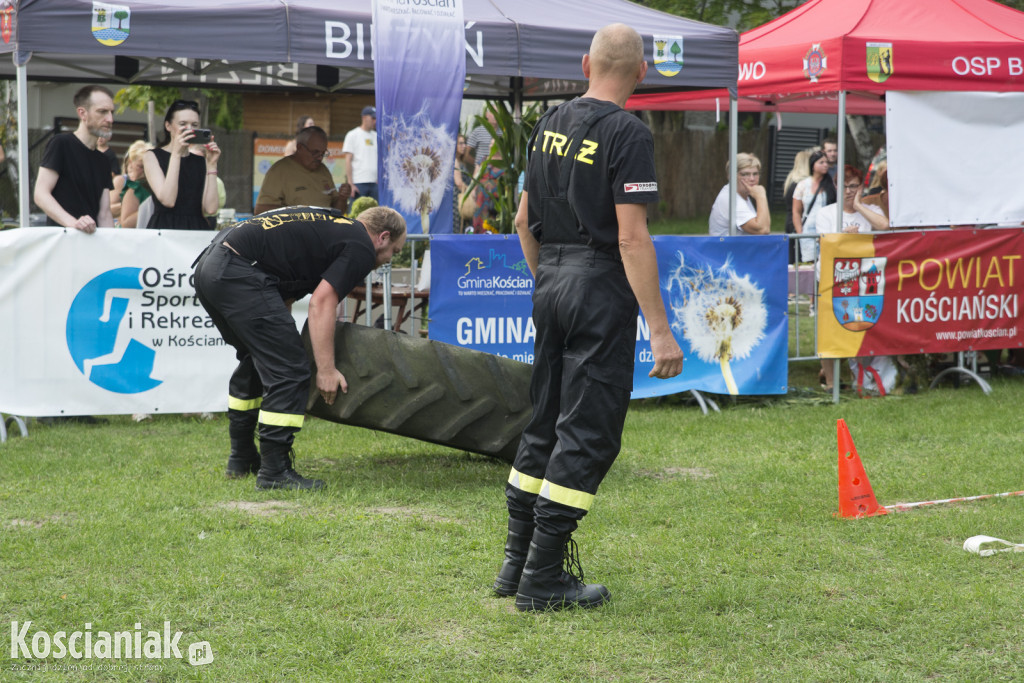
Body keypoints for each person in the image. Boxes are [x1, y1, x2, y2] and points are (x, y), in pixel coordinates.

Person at [498, 23, 683, 612]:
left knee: (545, 419)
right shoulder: (627, 131)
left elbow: (523, 220)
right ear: (641, 72)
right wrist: (659, 327)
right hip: (598, 285)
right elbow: (632, 238)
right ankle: (543, 577)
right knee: (587, 431)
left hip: (550, 280)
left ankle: (515, 565)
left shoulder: (548, 124)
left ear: (585, 64)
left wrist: (546, 281)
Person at [193, 206, 407, 490]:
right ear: (382, 236)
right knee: (290, 369)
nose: (390, 258)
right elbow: (322, 303)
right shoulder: (360, 245)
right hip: (238, 271)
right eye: (395, 250)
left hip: (211, 267)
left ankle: (241, 457)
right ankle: (274, 472)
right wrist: (327, 370)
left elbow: (284, 293)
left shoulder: (332, 228)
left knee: (256, 360)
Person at [816, 165, 889, 391]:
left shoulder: (870, 210)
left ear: (861, 187)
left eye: (854, 186)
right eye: (844, 186)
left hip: (867, 281)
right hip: (833, 279)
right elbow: (825, 242)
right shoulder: (826, 213)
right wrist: (845, 240)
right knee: (829, 330)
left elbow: (885, 226)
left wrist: (858, 205)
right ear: (836, 187)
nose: (848, 191)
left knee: (865, 325)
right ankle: (830, 382)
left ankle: (868, 376)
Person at [33, 85, 116, 233]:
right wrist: (74, 223)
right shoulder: (61, 143)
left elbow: (104, 214)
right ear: (82, 113)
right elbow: (41, 194)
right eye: (102, 112)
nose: (110, 119)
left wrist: (112, 245)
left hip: (91, 245)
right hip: (63, 242)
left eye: (111, 112)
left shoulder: (103, 160)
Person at [143, 99, 222, 230]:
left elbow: (211, 208)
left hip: (196, 230)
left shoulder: (200, 161)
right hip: (165, 229)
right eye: (183, 124)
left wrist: (212, 165)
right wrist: (176, 154)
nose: (189, 129)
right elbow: (168, 200)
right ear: (168, 126)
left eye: (195, 125)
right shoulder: (152, 156)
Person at [254, 126, 350, 215]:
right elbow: (261, 212)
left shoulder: (323, 170)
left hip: (324, 230)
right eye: (315, 152)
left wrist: (342, 198)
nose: (320, 158)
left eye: (323, 153)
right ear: (299, 147)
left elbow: (337, 212)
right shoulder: (279, 171)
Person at [707, 152, 770, 236]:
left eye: (755, 174)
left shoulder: (741, 195)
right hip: (727, 249)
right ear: (731, 176)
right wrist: (761, 197)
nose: (752, 179)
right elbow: (763, 230)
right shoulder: (731, 199)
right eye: (745, 174)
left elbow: (765, 224)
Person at [792, 149, 836, 264]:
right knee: (810, 264)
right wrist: (800, 232)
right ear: (813, 165)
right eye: (821, 162)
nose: (825, 165)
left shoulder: (832, 185)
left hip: (827, 230)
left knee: (826, 263)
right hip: (808, 230)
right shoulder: (803, 185)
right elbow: (796, 211)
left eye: (826, 162)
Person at [782, 147, 817, 264]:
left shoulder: (790, 180)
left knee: (792, 257)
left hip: (789, 221)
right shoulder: (803, 184)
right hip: (800, 223)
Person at [341, 105, 378, 202]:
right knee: (356, 215)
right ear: (364, 118)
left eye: (376, 118)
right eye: (373, 118)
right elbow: (348, 160)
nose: (375, 121)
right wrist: (350, 184)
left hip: (375, 183)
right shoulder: (352, 134)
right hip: (358, 183)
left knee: (375, 215)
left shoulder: (377, 136)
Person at [115, 140, 153, 229]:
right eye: (140, 166)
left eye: (149, 166)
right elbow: (126, 224)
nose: (145, 171)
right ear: (131, 163)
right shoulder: (135, 188)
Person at [465, 109, 497, 174]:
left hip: (498, 173)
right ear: (487, 115)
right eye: (493, 112)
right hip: (481, 173)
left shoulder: (504, 133)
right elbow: (465, 153)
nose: (495, 115)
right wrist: (478, 164)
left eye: (497, 113)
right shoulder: (478, 131)